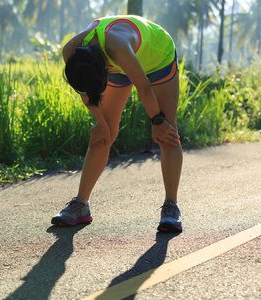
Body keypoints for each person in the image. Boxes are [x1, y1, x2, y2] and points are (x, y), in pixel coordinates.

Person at [51, 15, 183, 232]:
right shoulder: (71, 52)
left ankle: (171, 206)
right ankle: (81, 204)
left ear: (104, 67)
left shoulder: (118, 47)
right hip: (117, 65)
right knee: (105, 133)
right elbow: (86, 91)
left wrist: (157, 121)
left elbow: (144, 89)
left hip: (156, 58)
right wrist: (101, 122)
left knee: (167, 131)